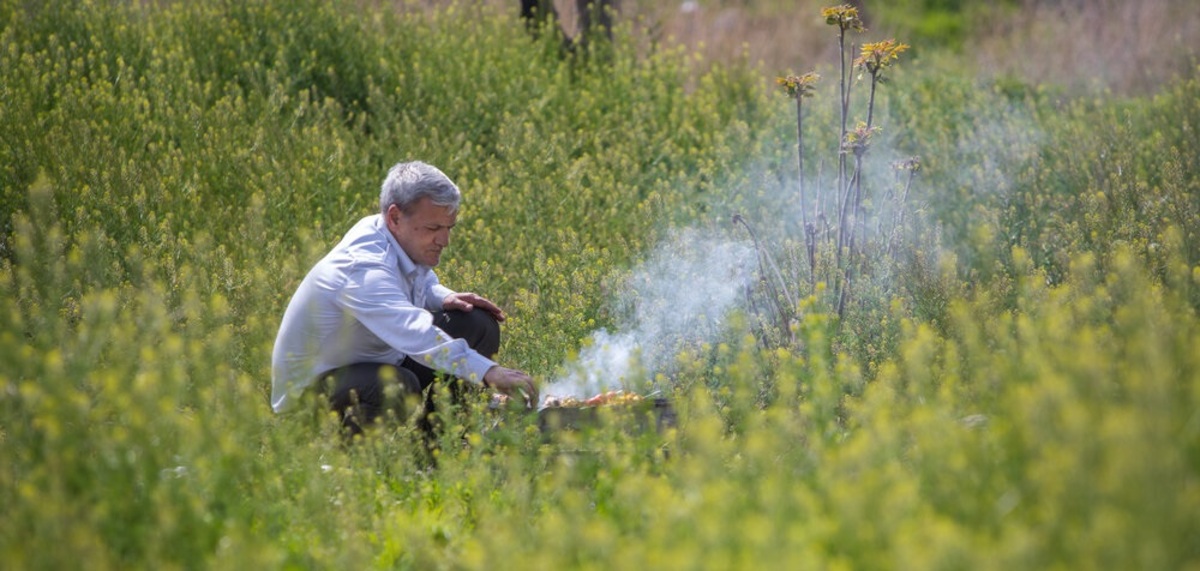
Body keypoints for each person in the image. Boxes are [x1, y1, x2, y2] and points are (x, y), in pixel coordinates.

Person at [271, 160, 537, 437]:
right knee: (397, 384)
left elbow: (417, 280)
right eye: (434, 228)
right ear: (395, 217)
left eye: (450, 227)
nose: (444, 240)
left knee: (476, 323)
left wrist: (443, 296)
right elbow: (412, 330)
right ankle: (347, 467)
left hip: (378, 361)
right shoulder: (362, 267)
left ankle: (443, 447)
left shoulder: (390, 234)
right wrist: (488, 372)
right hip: (311, 397)